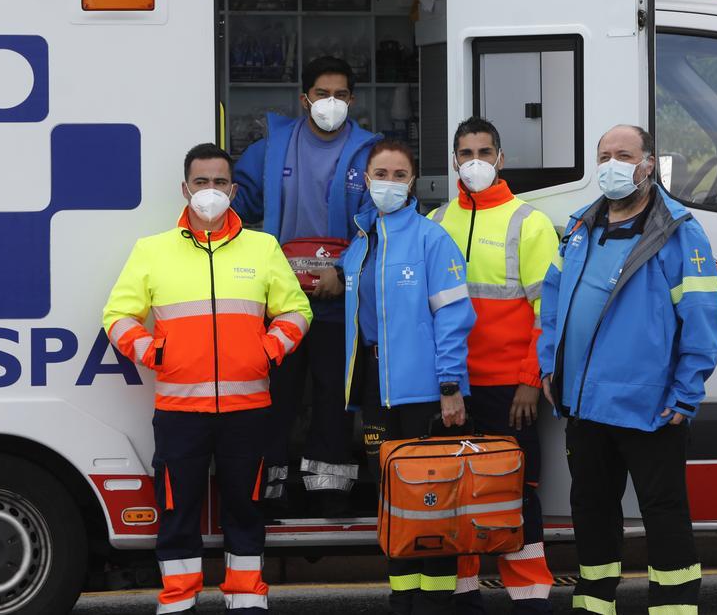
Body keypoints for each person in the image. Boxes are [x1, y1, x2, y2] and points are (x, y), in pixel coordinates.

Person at [103, 143, 312, 614]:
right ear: (185, 188)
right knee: (178, 512)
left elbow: (296, 310)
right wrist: (157, 351)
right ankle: (178, 601)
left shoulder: (263, 248)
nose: (210, 192)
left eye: (220, 182)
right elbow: (117, 315)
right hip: (180, 411)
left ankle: (246, 597)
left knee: (246, 508)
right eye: (202, 182)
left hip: (248, 410)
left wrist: (268, 348)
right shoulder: (152, 251)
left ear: (234, 190)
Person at [538, 125, 717, 615]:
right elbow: (552, 306)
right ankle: (594, 604)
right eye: (605, 156)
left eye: (624, 155)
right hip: (585, 403)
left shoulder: (680, 232)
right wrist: (548, 367)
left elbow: (702, 321)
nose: (613, 164)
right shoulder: (580, 228)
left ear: (648, 164)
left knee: (664, 514)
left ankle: (675, 607)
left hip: (652, 406)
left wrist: (686, 395)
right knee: (592, 512)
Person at [233, 56, 382, 514]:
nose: (330, 103)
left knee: (333, 404)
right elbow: (239, 206)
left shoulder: (371, 153)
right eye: (322, 94)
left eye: (340, 94)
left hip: (342, 303)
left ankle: (330, 498)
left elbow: (381, 224)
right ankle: (272, 496)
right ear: (305, 99)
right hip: (281, 304)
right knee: (275, 401)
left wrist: (346, 272)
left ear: (352, 100)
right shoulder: (273, 147)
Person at [427, 118, 559, 614]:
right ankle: (462, 600)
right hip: (454, 389)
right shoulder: (438, 222)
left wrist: (530, 380)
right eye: (466, 152)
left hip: (510, 389)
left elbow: (549, 313)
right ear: (455, 160)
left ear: (501, 159)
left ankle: (530, 599)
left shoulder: (529, 222)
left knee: (516, 495)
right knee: (456, 493)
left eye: (485, 151)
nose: (475, 160)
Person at [343, 140, 475, 615]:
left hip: (426, 393)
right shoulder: (362, 240)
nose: (390, 183)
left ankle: (436, 604)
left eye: (400, 175)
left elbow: (454, 317)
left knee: (432, 500)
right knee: (395, 501)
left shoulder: (431, 238)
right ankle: (404, 600)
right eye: (381, 173)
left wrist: (450, 386)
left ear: (413, 181)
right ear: (366, 178)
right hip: (378, 389)